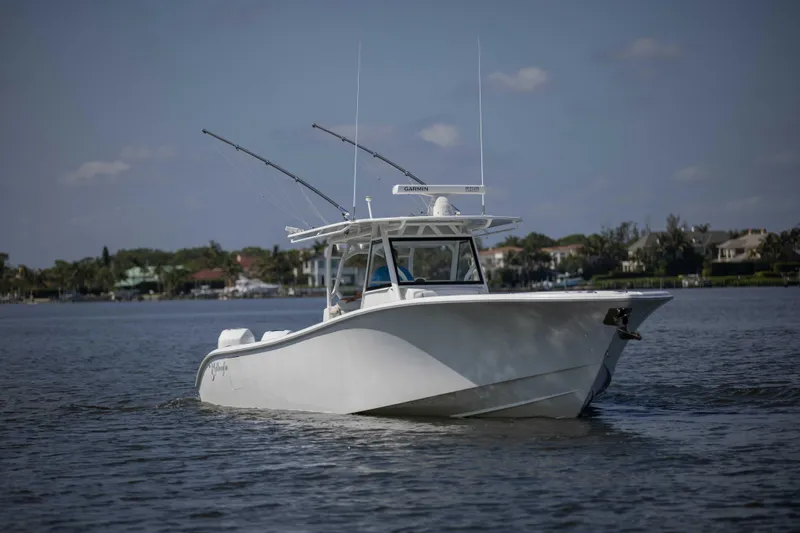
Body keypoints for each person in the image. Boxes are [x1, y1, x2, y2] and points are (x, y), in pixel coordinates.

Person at [340, 247, 413, 303]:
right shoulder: (403, 272)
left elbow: (370, 289)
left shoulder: (382, 272)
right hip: (389, 302)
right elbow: (370, 290)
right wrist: (354, 298)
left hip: (389, 302)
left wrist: (354, 298)